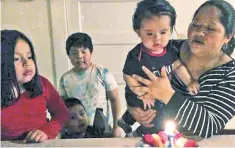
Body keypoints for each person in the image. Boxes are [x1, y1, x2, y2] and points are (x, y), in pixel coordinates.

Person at [129, 0, 235, 138]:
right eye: (195, 24)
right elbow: (138, 82)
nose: (199, 32)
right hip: (147, 139)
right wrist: (133, 109)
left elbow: (209, 125)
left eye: (210, 28)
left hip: (191, 144)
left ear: (228, 36)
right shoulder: (166, 49)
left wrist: (166, 94)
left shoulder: (230, 75)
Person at [118, 0, 199, 137]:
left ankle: (135, 127)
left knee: (160, 111)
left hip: (159, 92)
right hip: (138, 93)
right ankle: (133, 126)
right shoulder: (136, 56)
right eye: (149, 34)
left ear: (171, 30)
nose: (157, 39)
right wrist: (142, 95)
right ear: (138, 32)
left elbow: (178, 66)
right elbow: (127, 76)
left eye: (163, 32)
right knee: (151, 112)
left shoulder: (171, 50)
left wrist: (190, 81)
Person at [1, 30, 69, 142]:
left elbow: (62, 113)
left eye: (29, 56)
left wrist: (47, 132)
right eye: (16, 59)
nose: (26, 63)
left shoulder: (43, 84)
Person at [59, 32, 121, 137]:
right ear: (68, 55)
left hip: (101, 130)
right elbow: (61, 108)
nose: (79, 56)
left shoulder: (102, 73)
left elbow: (115, 100)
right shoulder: (65, 79)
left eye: (84, 52)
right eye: (74, 53)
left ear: (91, 53)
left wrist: (116, 127)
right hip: (76, 133)